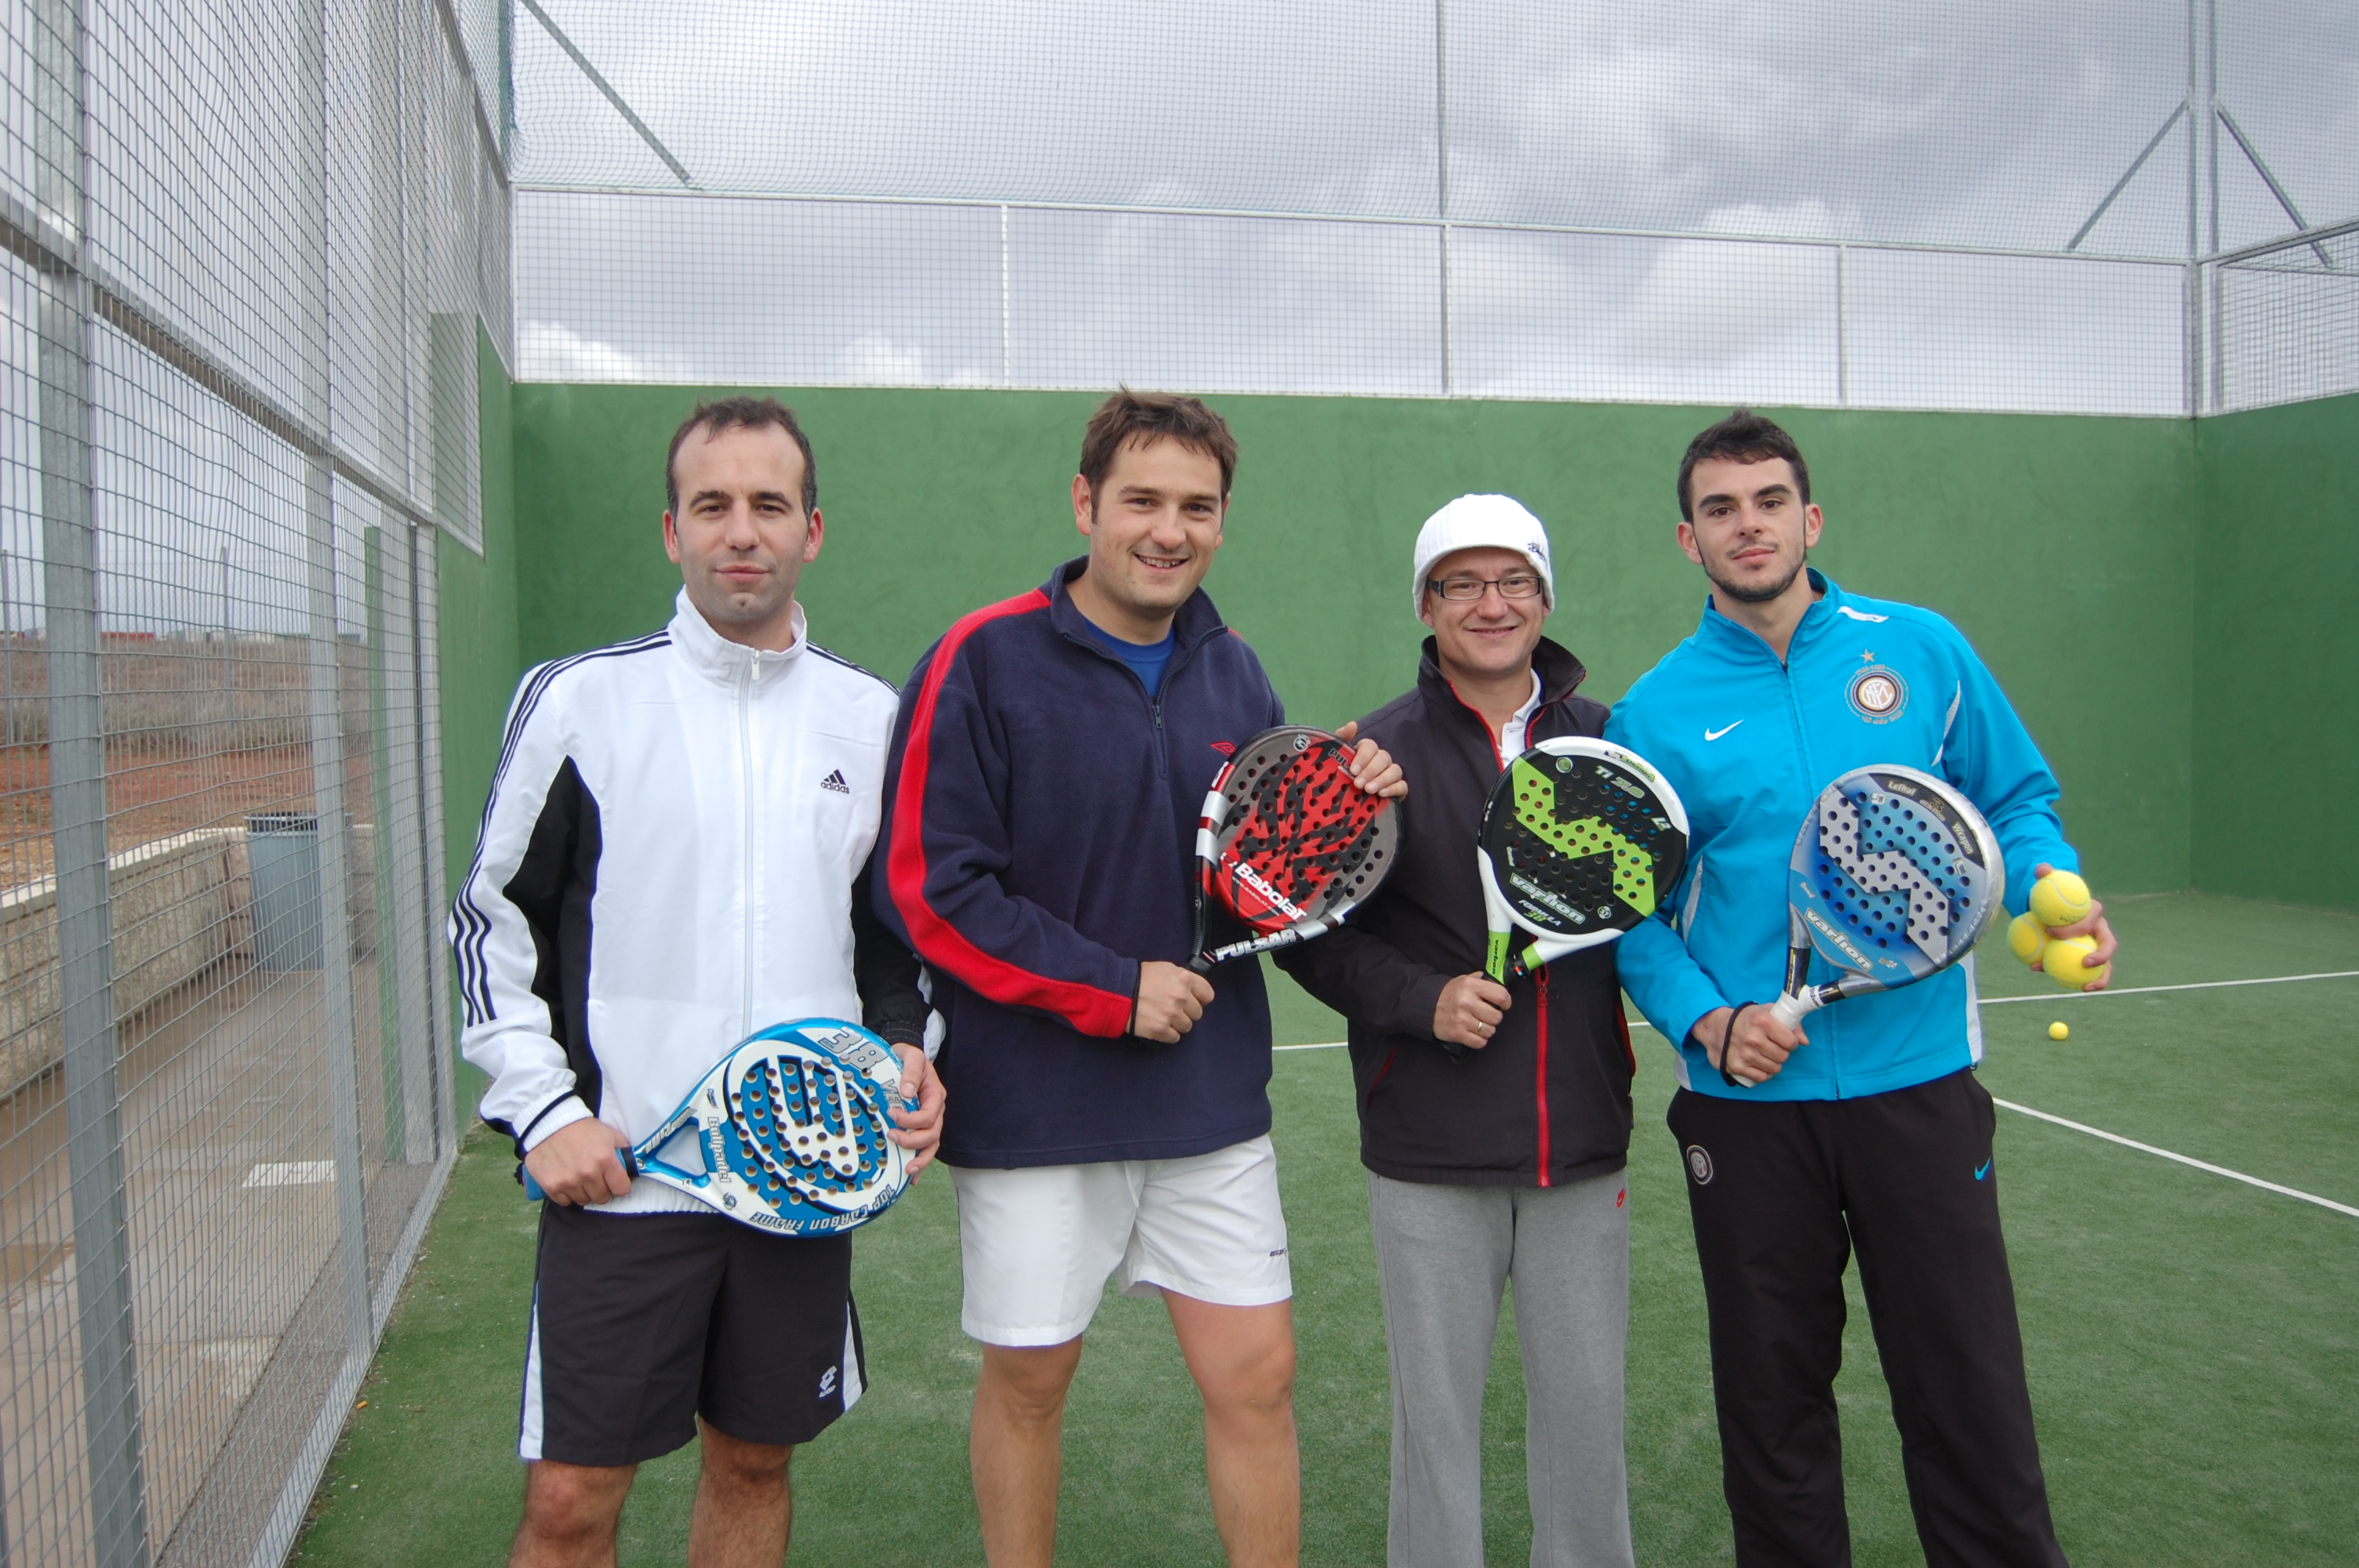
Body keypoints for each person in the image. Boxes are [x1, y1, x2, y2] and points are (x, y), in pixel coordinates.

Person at [874, 390, 1402, 1568]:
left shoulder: (1236, 672)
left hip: (1208, 1105)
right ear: (1087, 504)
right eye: (1143, 502)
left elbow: (1265, 876)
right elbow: (926, 888)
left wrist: (1346, 798)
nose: (1170, 531)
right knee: (1029, 1385)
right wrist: (1114, 989)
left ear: (1221, 520)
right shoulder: (980, 658)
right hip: (1036, 1106)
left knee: (1258, 1378)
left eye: (1197, 508)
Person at [1607, 408, 2118, 1568]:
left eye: (1770, 501)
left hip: (1920, 1090)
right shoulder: (1655, 711)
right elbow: (1630, 916)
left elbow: (2015, 799)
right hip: (1747, 1111)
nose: (1749, 526)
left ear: (1811, 518)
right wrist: (1707, 1020)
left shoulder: (1922, 649)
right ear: (1688, 540)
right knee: (1772, 1409)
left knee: (1967, 1391)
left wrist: (2051, 885)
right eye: (1721, 509)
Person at [450, 396, 947, 1568]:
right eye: (710, 504)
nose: (741, 530)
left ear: (811, 530)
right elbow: (493, 922)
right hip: (622, 1179)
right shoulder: (579, 701)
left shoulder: (869, 717)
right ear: (671, 530)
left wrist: (908, 1047)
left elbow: (894, 938)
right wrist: (547, 1113)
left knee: (755, 1463)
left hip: (798, 1173)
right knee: (571, 1502)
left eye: (769, 504)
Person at [1274, 495, 1641, 1568]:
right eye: (1462, 584)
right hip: (1428, 1145)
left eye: (1514, 581)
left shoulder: (1612, 744)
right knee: (1434, 1433)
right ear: (1426, 606)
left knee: (1588, 1425)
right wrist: (1420, 1000)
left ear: (1545, 599)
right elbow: (1308, 934)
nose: (1492, 604)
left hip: (1580, 1140)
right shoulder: (1370, 754)